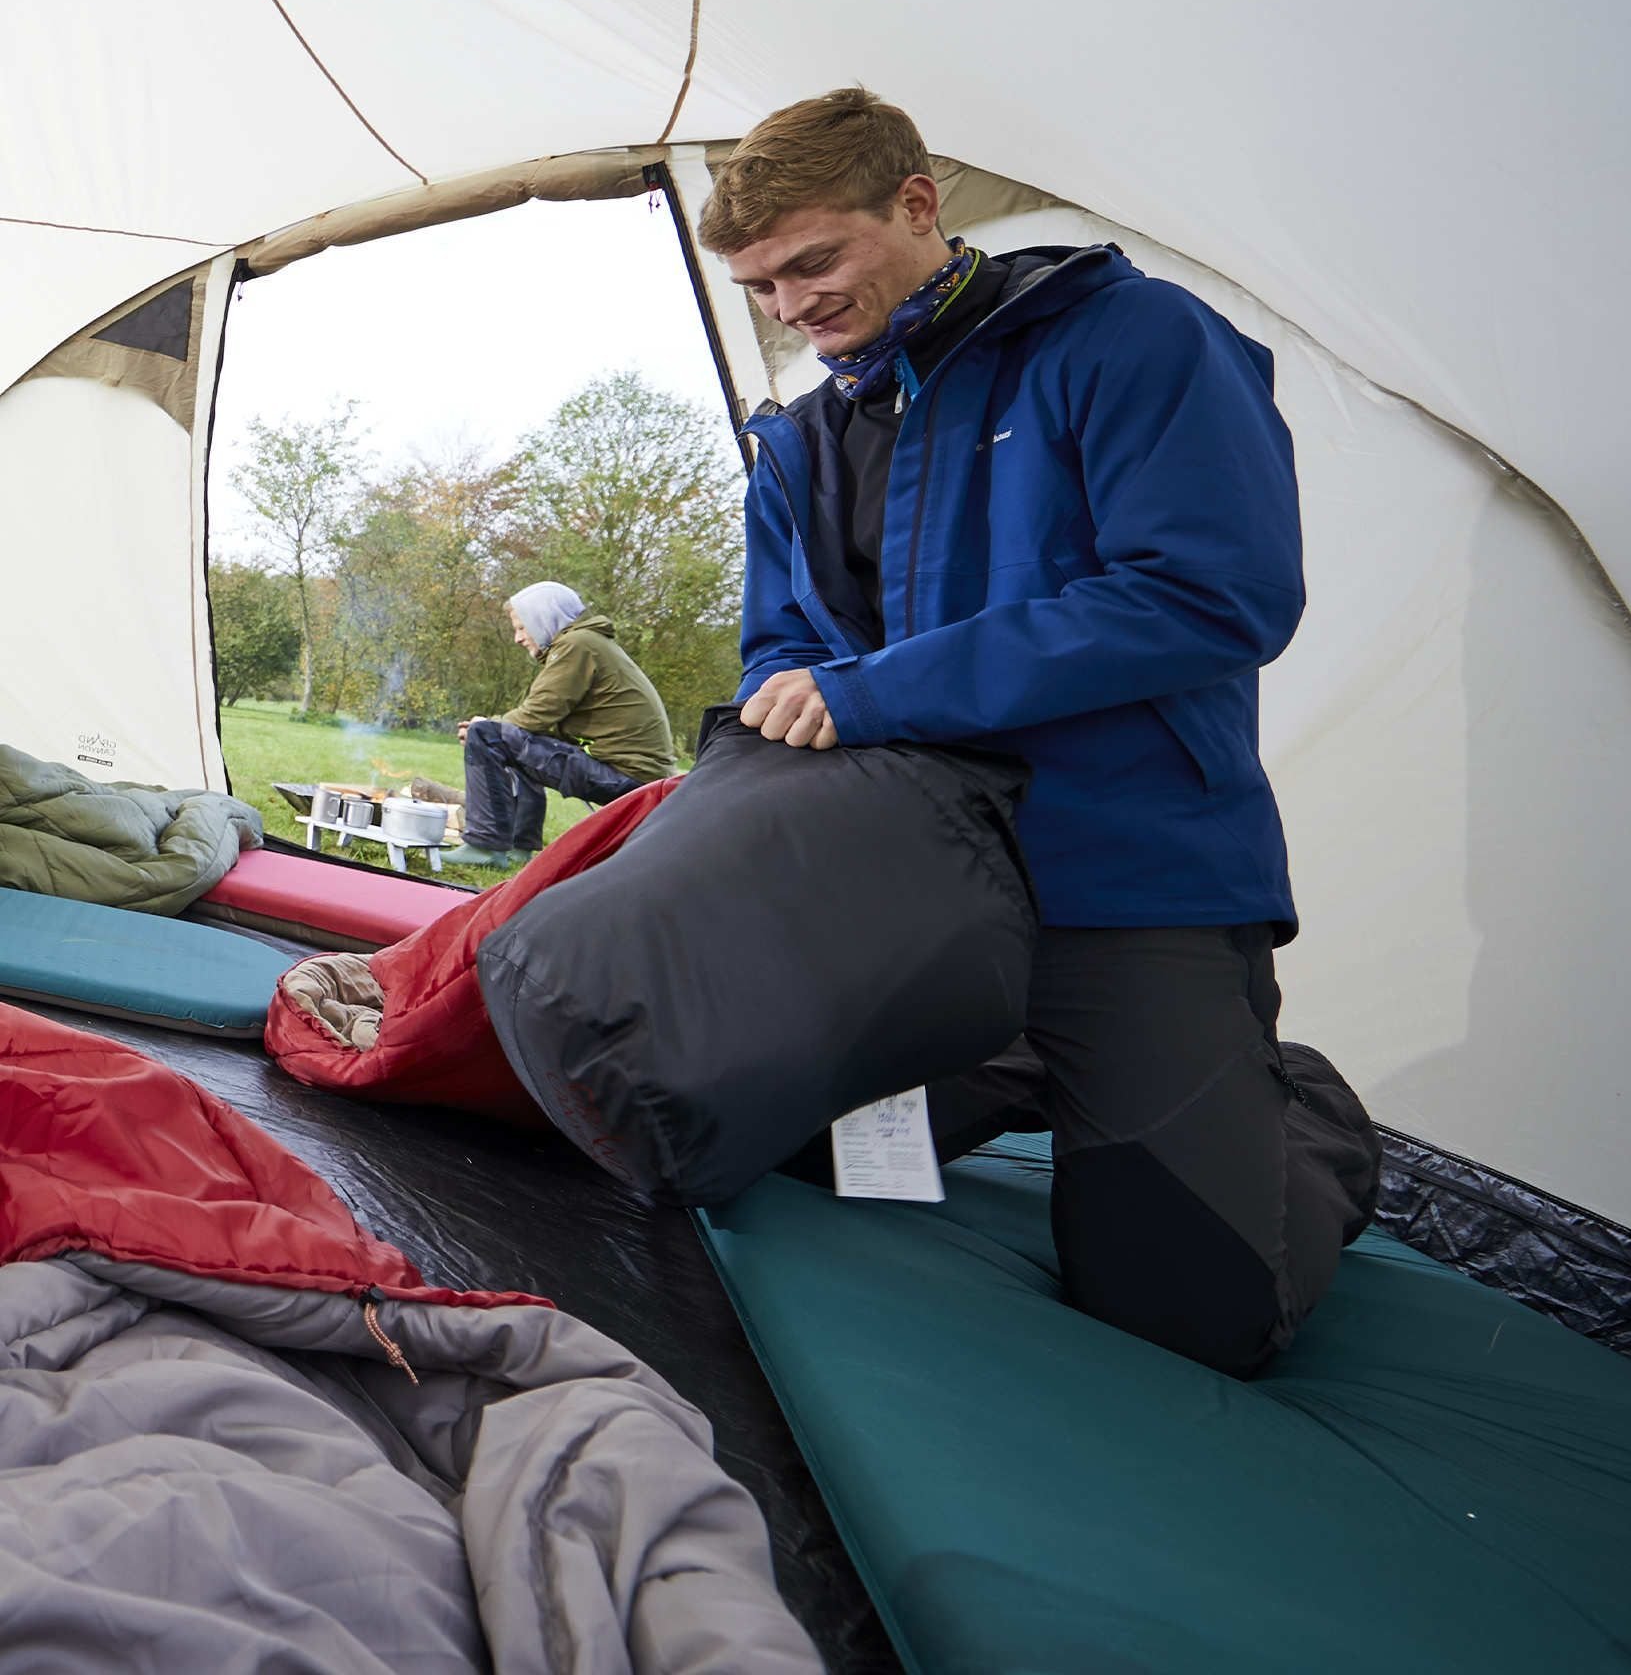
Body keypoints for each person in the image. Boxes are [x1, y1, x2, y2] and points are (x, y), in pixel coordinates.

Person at [697, 88, 1381, 1374]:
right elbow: (781, 646)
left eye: (814, 263)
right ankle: (1011, 1065)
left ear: (916, 206)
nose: (792, 309)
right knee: (771, 1144)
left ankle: (1305, 1111)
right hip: (918, 899)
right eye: (762, 288)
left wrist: (881, 691)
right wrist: (792, 700)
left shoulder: (1132, 340)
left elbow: (1210, 592)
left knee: (1193, 1318)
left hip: (1129, 885)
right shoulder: (798, 443)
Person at [440, 581, 677, 869]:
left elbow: (536, 714)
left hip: (629, 780)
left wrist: (486, 727)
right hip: (642, 778)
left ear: (542, 618)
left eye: (521, 627)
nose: (517, 638)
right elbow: (538, 725)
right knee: (503, 736)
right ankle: (518, 846)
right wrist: (497, 729)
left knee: (487, 734)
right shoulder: (588, 643)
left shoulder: (577, 645)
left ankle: (484, 846)